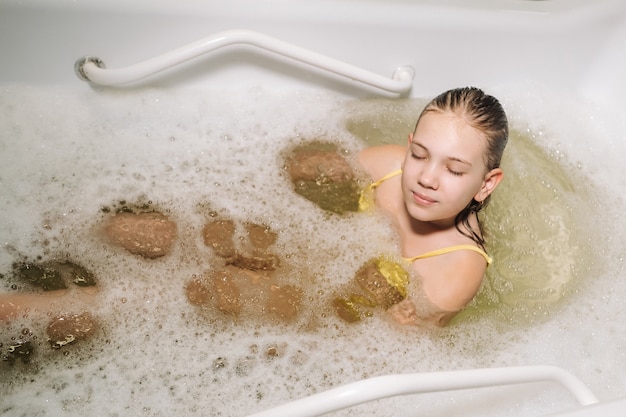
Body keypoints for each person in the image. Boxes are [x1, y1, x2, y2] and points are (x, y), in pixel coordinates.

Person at [356, 86, 508, 326]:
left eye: (454, 170)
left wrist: (376, 285)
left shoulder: (458, 269)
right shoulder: (389, 167)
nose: (426, 178)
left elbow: (403, 343)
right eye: (419, 155)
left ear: (486, 184)